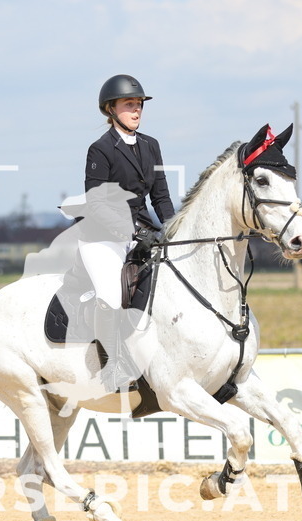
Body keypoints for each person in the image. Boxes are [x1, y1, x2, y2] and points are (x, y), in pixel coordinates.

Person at [81, 74, 176, 391]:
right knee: (110, 295)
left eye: (139, 104)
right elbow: (96, 203)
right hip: (103, 236)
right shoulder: (100, 149)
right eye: (129, 104)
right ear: (111, 109)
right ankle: (111, 368)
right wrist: (132, 231)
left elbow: (161, 197)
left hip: (144, 230)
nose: (136, 110)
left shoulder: (151, 146)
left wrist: (172, 231)